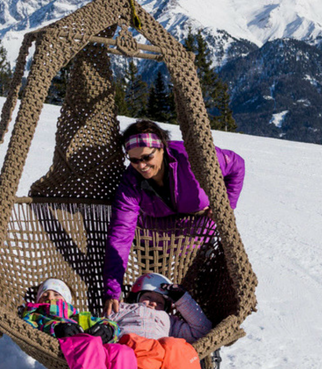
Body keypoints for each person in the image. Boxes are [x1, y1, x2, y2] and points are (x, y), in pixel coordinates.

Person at [103, 119, 245, 316]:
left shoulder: (193, 159)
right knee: (153, 285)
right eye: (134, 160)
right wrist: (112, 290)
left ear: (162, 147)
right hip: (154, 234)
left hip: (196, 230)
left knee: (191, 284)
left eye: (147, 157)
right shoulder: (131, 183)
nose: (141, 166)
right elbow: (121, 235)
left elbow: (237, 165)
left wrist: (226, 204)